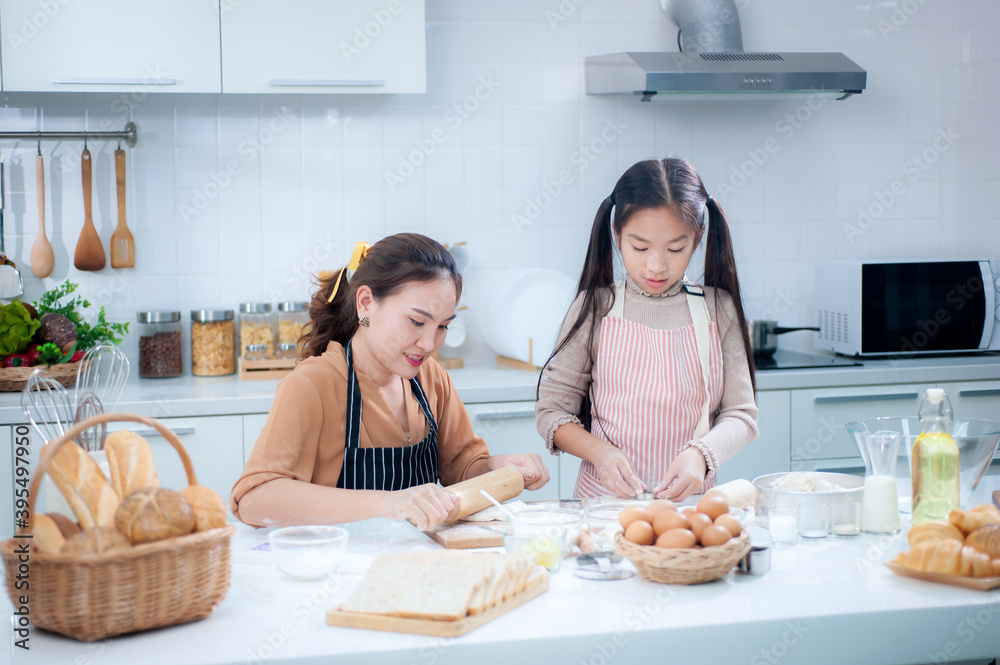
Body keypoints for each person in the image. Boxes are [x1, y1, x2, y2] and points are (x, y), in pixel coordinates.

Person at [231, 233, 549, 529]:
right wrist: (388, 504)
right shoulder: (313, 385)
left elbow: (462, 467)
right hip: (342, 573)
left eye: (442, 326)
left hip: (417, 567)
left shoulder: (431, 379)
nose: (429, 344)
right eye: (417, 321)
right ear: (366, 303)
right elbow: (255, 500)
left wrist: (499, 467)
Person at [535, 158, 758, 501]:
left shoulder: (718, 308)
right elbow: (553, 411)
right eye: (640, 248)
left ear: (697, 239)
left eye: (675, 248)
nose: (656, 265)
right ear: (617, 234)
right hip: (603, 506)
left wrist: (701, 454)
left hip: (692, 507)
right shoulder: (596, 307)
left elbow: (741, 414)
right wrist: (600, 454)